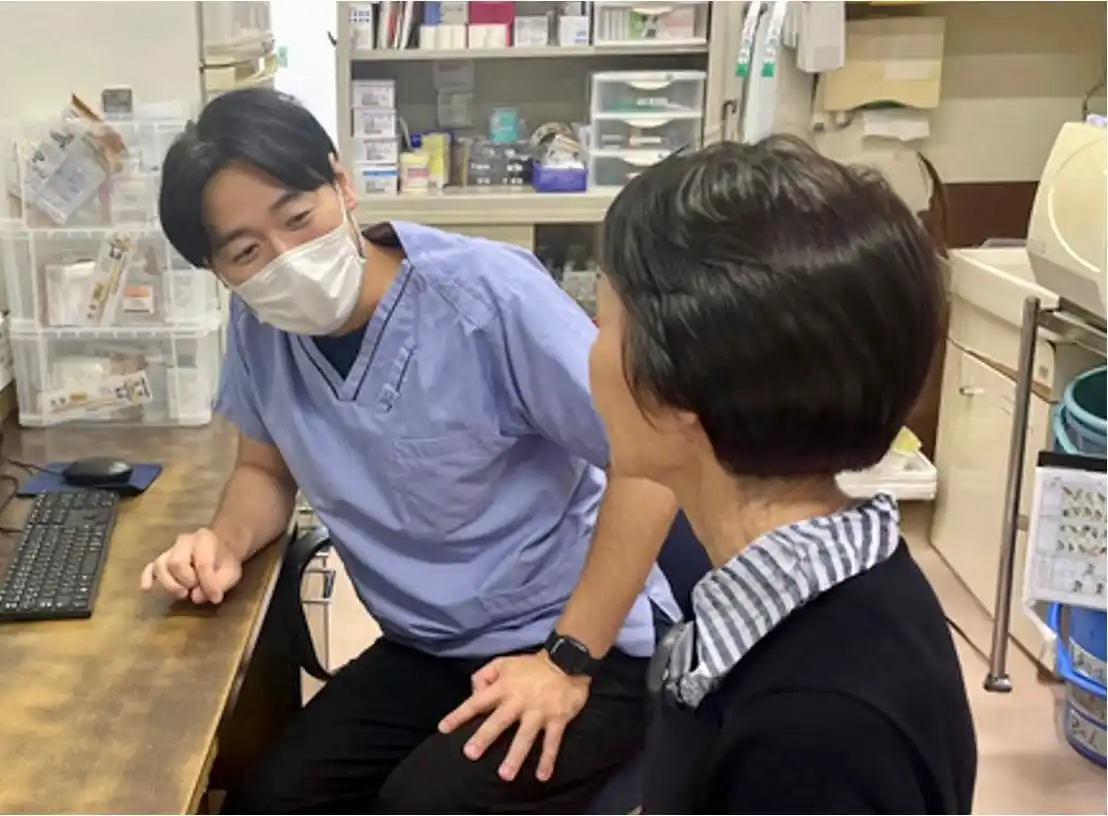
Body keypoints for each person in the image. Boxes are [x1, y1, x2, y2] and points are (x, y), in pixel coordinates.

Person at [143, 87, 680, 814]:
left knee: (421, 805)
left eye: (298, 218)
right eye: (246, 251)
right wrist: (224, 542)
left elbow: (651, 464)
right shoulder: (259, 328)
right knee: (269, 801)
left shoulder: (487, 297)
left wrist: (567, 659)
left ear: (341, 182)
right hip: (429, 647)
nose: (287, 259)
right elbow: (264, 468)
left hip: (582, 639)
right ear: (217, 271)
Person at [587, 137, 978, 814]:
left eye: (604, 321)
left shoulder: (816, 733)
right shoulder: (814, 581)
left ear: (676, 391)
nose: (588, 349)